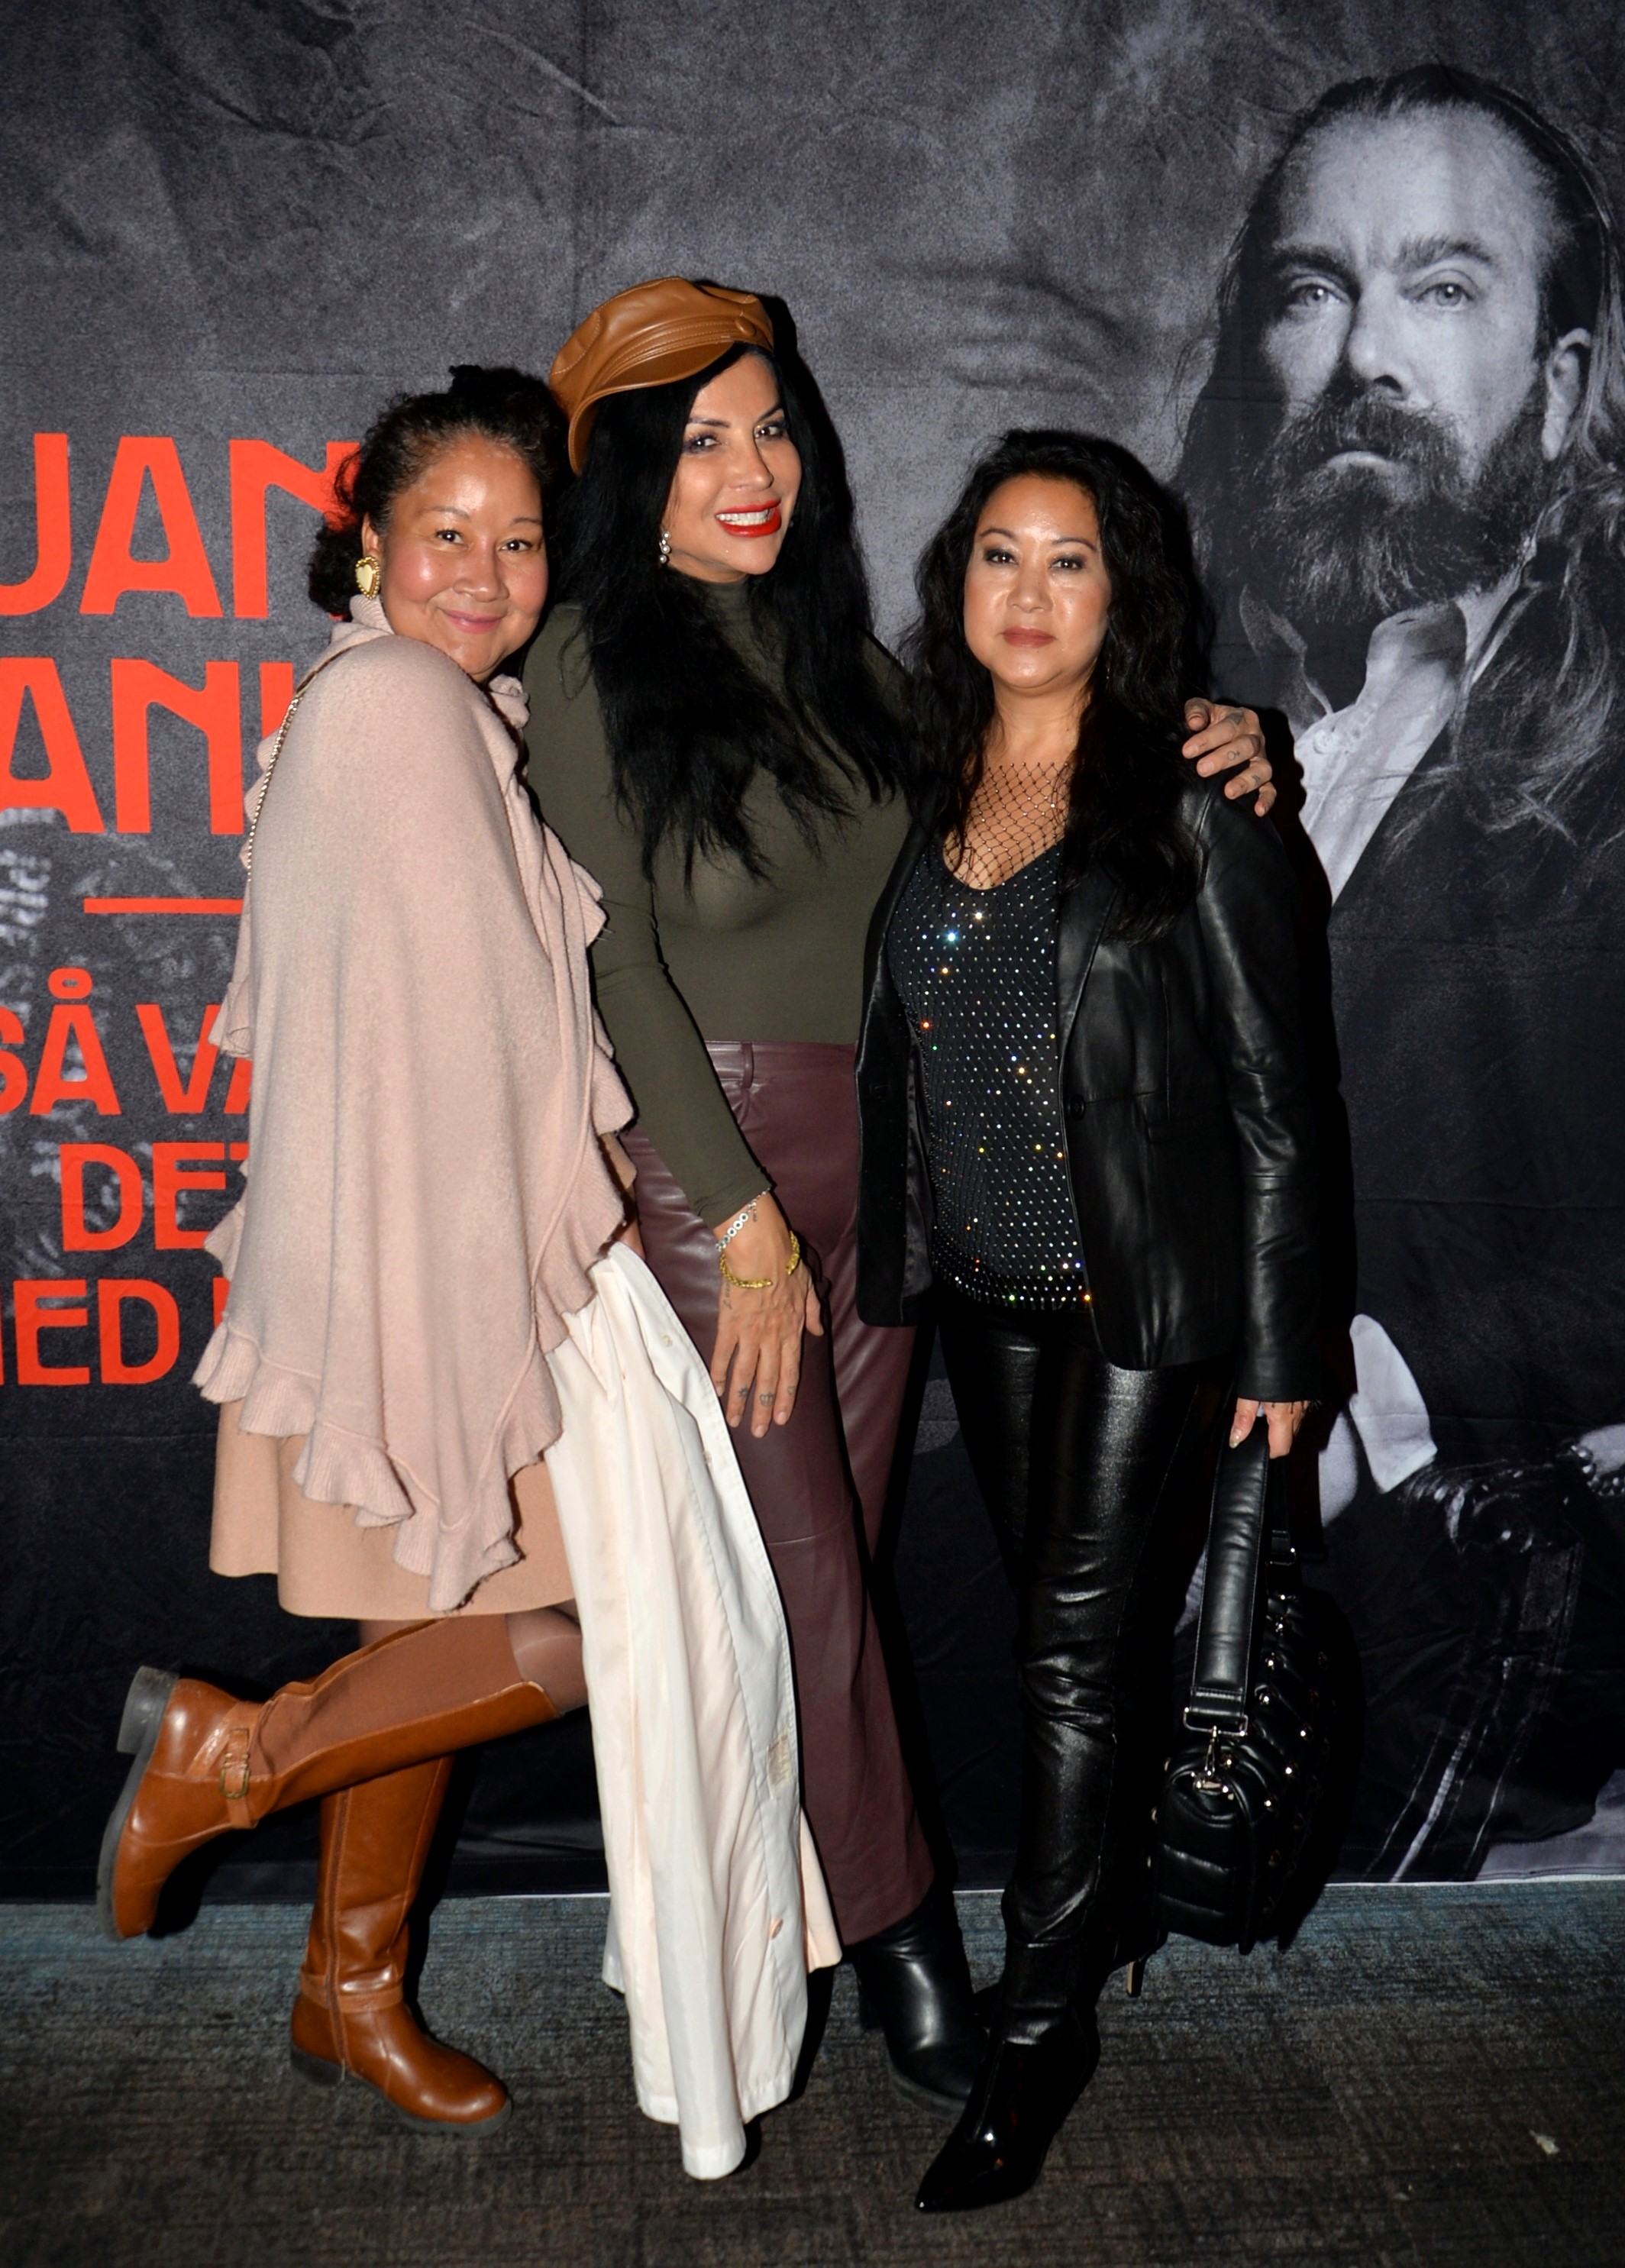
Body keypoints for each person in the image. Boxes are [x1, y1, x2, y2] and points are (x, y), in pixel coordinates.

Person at [525, 278, 1274, 2105]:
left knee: (822, 1585)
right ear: (630, 475)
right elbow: (616, 965)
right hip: (719, 1183)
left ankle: (770, 1920)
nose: (753, 469)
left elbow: (1030, 763)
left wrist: (1215, 731)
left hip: (892, 1179)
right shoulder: (584, 662)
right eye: (700, 442)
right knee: (804, 1586)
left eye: (774, 427)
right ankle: (909, 1948)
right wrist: (740, 1222)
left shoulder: (848, 663)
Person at [97, 368, 835, 2176]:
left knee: (425, 1641)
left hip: (414, 1262)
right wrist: (591, 1256)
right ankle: (229, 1757)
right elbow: (497, 1039)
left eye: (519, 543)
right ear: (367, 540)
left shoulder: (418, 700)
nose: (486, 574)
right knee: (594, 1637)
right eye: (447, 535)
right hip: (447, 1277)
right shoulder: (402, 708)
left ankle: (346, 1987)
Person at [856, 431, 1319, 2209]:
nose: (1028, 592)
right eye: (998, 554)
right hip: (986, 1291)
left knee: (1062, 1649)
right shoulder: (920, 773)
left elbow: (1278, 1096)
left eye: (1068, 559)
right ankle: (1097, 1903)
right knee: (1073, 1638)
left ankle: (1037, 2025)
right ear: (955, 582)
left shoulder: (1195, 799)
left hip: (1144, 1295)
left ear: (1121, 592)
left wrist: (1279, 1346)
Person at [1177, 66, 1625, 1875]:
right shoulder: (1201, 695)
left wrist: (1369, 1393)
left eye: (1438, 287)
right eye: (1312, 289)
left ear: (1561, 383)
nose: (1363, 352)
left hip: (1456, 1556)